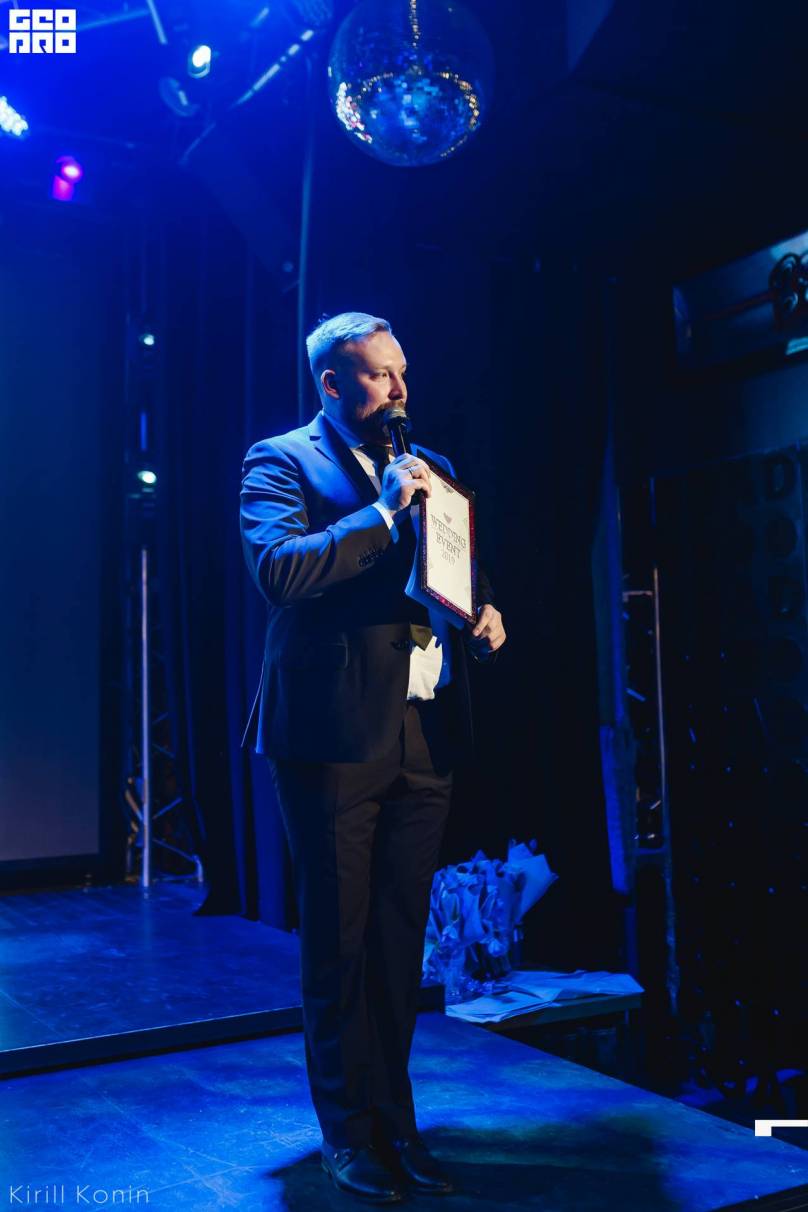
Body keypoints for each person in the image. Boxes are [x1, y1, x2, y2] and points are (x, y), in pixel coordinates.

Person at [240, 312, 506, 1202]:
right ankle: (347, 1135)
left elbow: (454, 571)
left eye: (401, 372)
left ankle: (397, 1123)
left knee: (398, 943)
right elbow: (280, 571)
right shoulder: (282, 460)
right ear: (331, 383)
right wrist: (384, 511)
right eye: (379, 375)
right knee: (339, 945)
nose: (399, 389)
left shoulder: (430, 464)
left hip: (424, 730)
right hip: (331, 736)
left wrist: (483, 612)